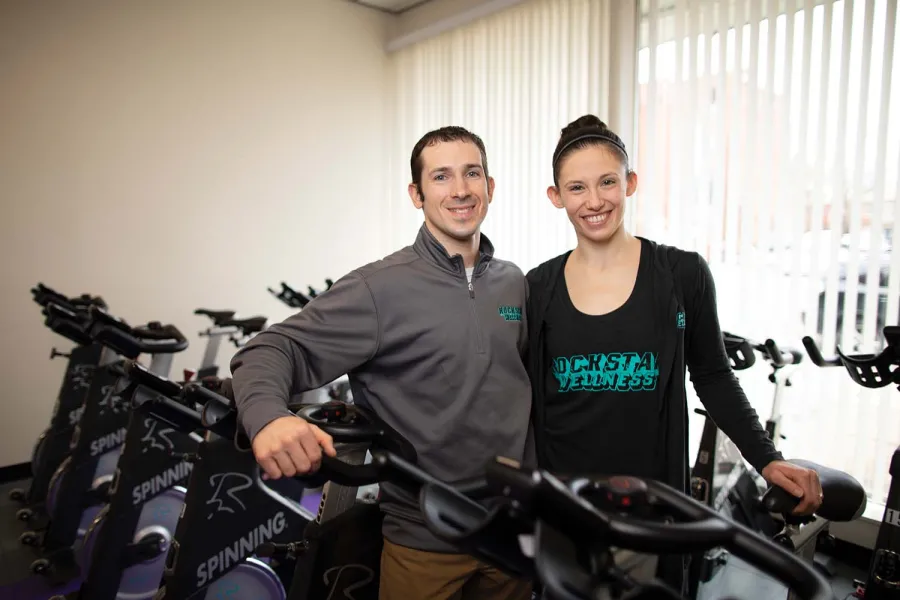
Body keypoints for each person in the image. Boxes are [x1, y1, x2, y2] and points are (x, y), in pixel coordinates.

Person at [230, 126, 534, 600]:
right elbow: (271, 348)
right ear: (417, 194)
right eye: (441, 177)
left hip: (511, 532)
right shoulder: (379, 289)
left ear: (490, 187)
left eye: (472, 173)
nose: (459, 190)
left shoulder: (514, 282)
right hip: (425, 537)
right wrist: (268, 417)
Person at [524, 115, 824, 592]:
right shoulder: (536, 287)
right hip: (565, 508)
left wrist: (767, 459)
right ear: (556, 196)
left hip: (652, 509)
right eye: (577, 188)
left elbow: (712, 375)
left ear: (631, 183)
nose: (595, 200)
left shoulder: (681, 274)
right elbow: (521, 396)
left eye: (607, 182)